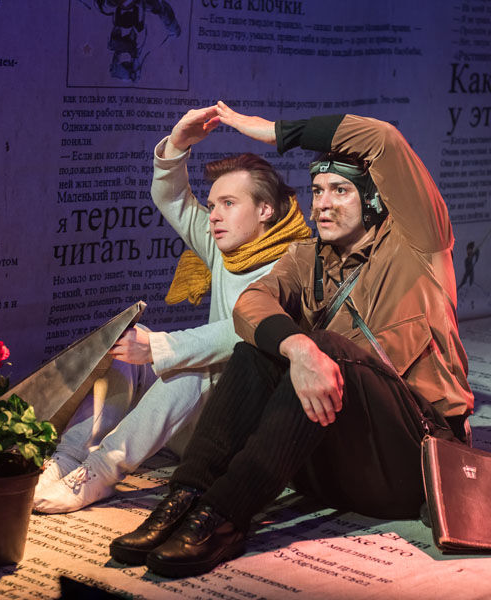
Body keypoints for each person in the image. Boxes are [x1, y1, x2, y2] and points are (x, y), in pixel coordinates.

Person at [109, 102, 474, 577]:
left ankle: (224, 515)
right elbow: (250, 304)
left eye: (340, 190)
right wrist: (295, 347)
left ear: (374, 199)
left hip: (412, 461)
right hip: (332, 463)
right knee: (255, 350)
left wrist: (274, 132)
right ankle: (187, 498)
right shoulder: (306, 257)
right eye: (317, 190)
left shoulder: (417, 244)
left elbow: (383, 139)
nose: (322, 204)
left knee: (326, 347)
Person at [33, 105, 311, 513]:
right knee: (124, 350)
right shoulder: (227, 246)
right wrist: (177, 145)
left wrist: (160, 348)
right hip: (193, 420)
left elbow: (243, 329)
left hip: (238, 428)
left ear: (265, 209)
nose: (213, 216)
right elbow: (173, 197)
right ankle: (70, 458)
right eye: (212, 205)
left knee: (191, 369)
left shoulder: (296, 264)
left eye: (228, 203)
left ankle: (101, 471)